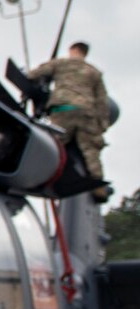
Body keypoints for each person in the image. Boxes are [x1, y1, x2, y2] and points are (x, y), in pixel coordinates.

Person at [27, 41, 113, 198]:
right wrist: (102, 125)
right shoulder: (94, 72)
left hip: (63, 109)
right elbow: (102, 101)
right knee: (90, 149)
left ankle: (40, 177)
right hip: (86, 113)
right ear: (85, 53)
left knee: (55, 146)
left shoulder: (60, 64)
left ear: (72, 50)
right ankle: (98, 187)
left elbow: (34, 74)